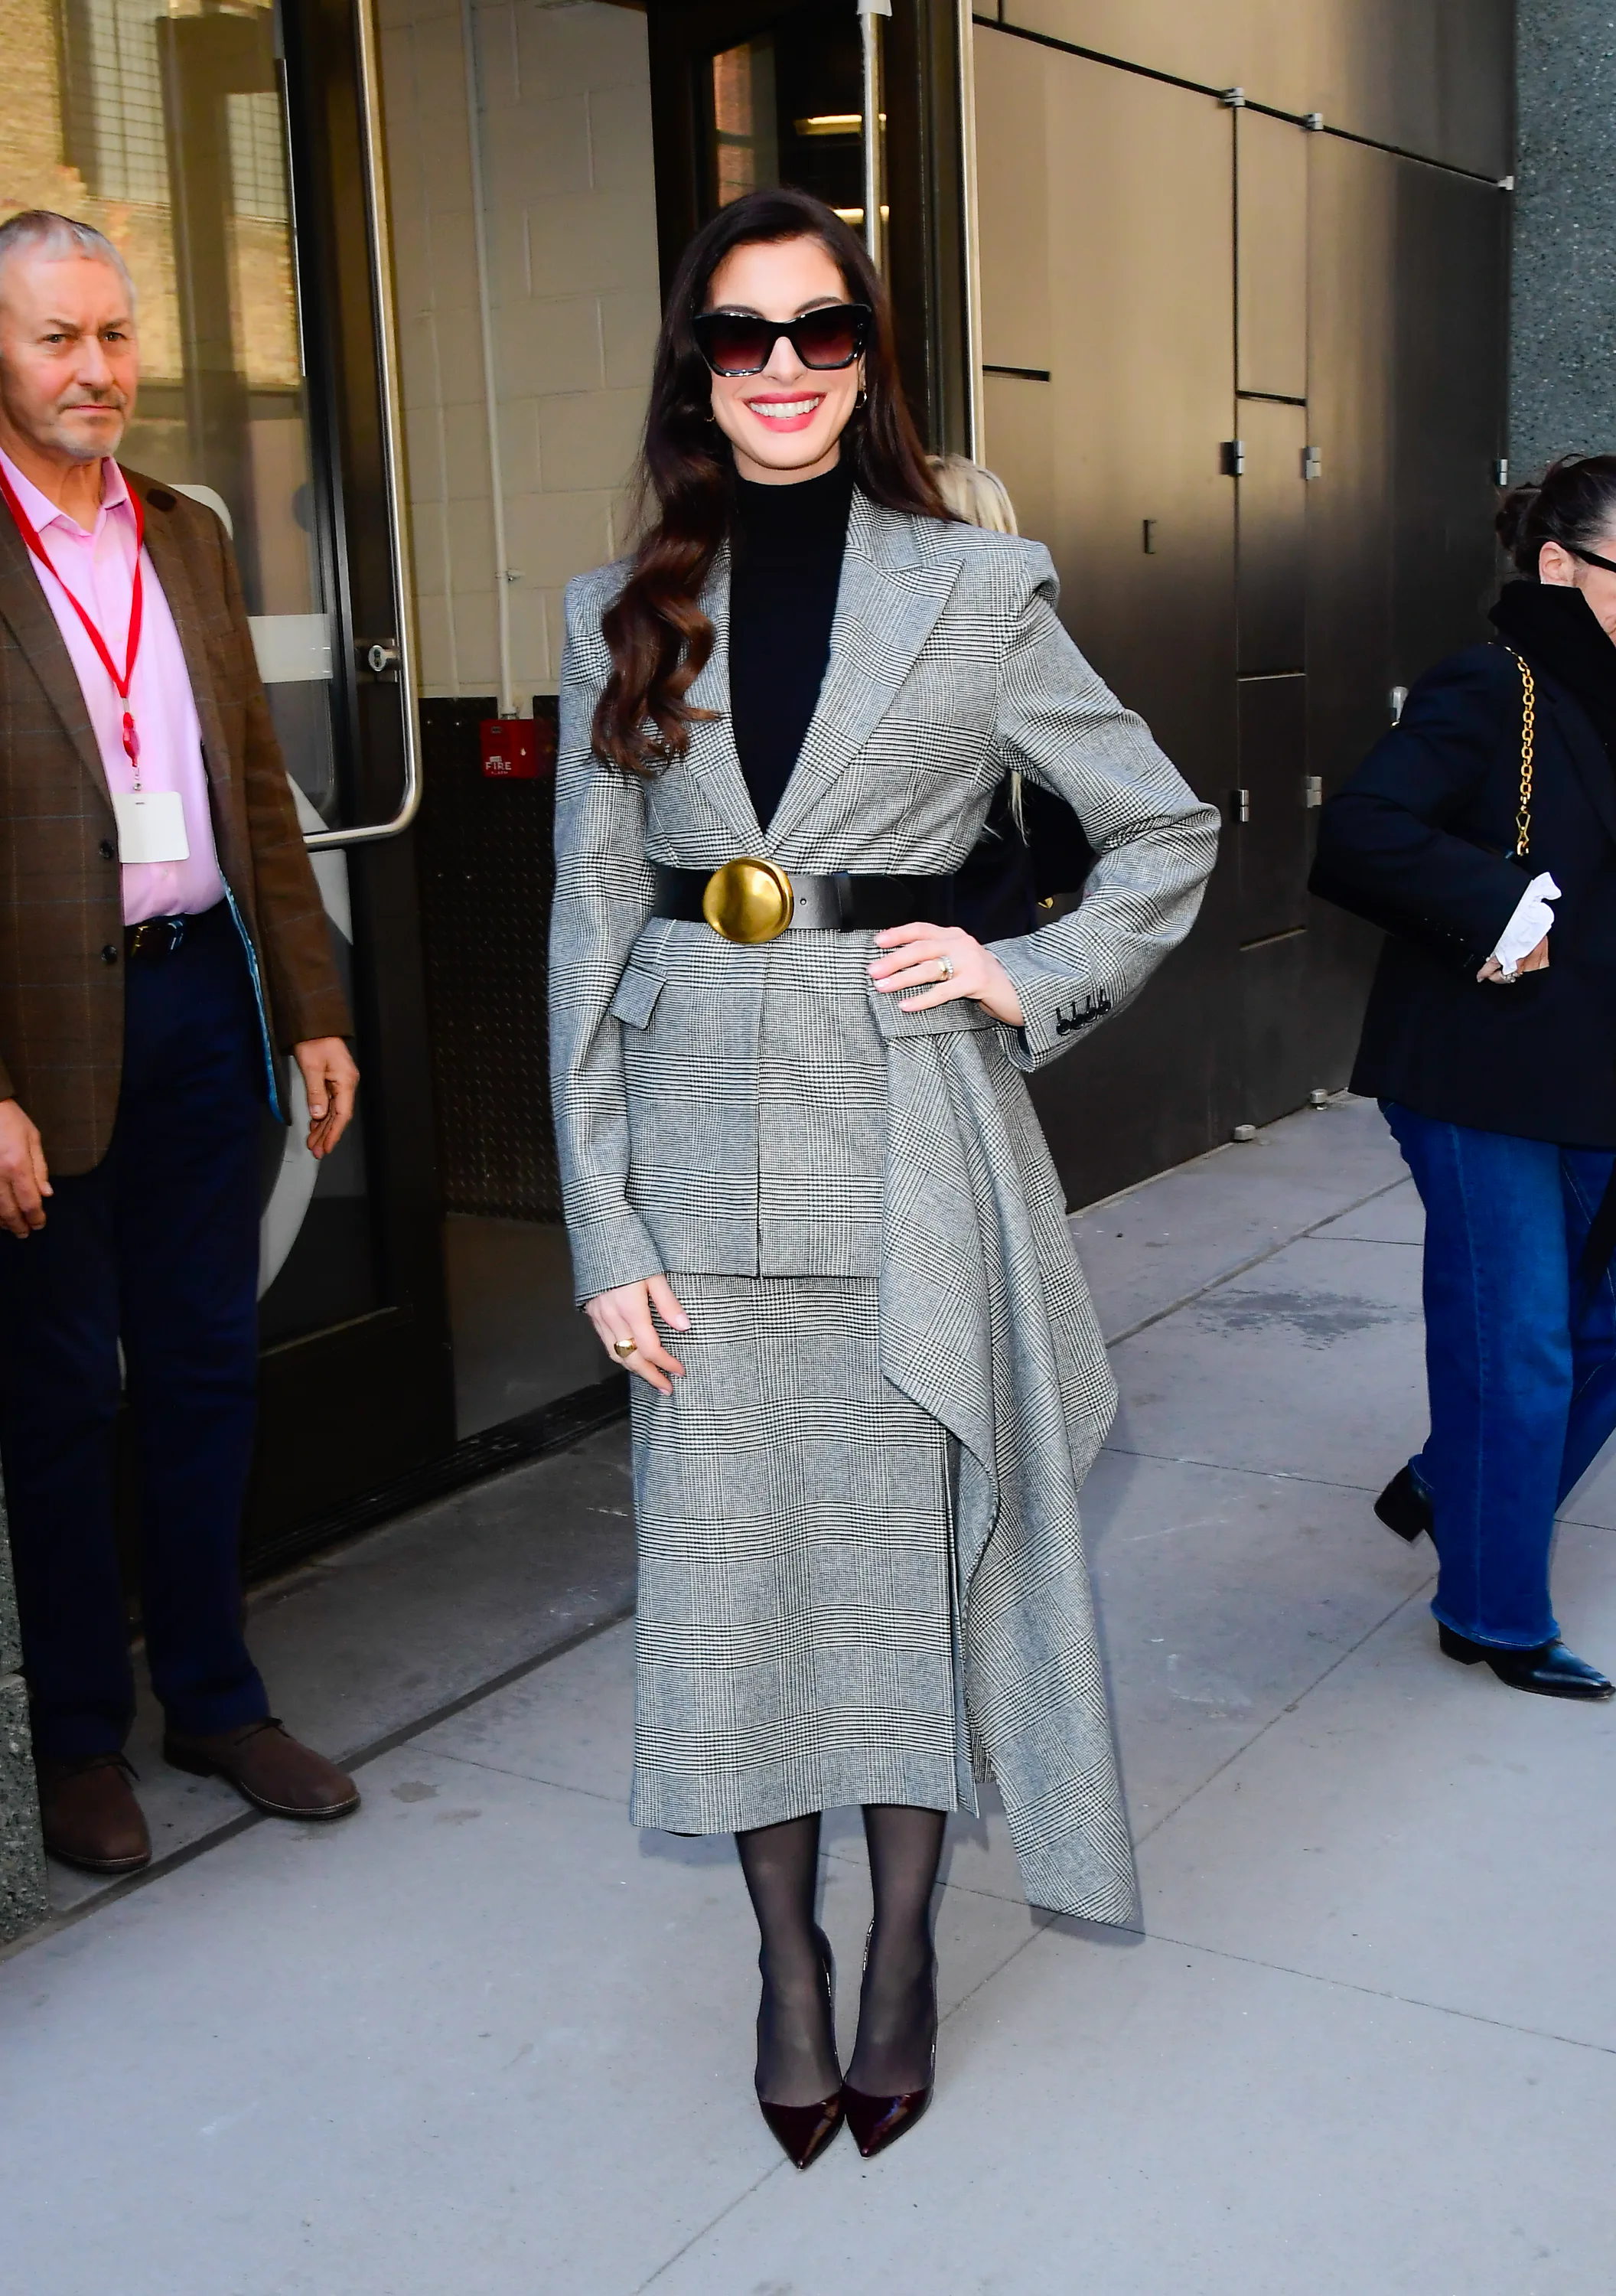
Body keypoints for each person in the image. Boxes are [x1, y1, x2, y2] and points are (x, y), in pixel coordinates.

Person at [549, 187, 1218, 2167]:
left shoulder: (978, 589)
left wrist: (1030, 972)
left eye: (819, 331)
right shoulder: (620, 607)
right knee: (738, 1582)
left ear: (867, 356)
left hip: (912, 1138)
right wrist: (600, 1221)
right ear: (696, 368)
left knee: (903, 1582)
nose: (782, 369)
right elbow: (589, 922)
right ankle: (791, 1966)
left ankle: (907, 1950)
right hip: (694, 1154)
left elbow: (1163, 827)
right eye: (741, 335)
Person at [0, 209, 364, 1873]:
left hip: (203, 999)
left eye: (115, 334)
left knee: (209, 1366)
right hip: (41, 1036)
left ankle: (214, 1697)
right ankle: (82, 1739)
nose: (98, 369)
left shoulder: (189, 531)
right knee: (62, 1397)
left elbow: (254, 791)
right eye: (57, 338)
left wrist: (314, 1005)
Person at [1312, 453, 1616, 1703]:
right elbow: (1361, 829)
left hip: (1593, 1075)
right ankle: (1491, 1612)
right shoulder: (1495, 686)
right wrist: (1497, 907)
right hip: (1481, 1074)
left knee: (1596, 1334)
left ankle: (1454, 1481)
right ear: (1560, 566)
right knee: (1521, 1347)